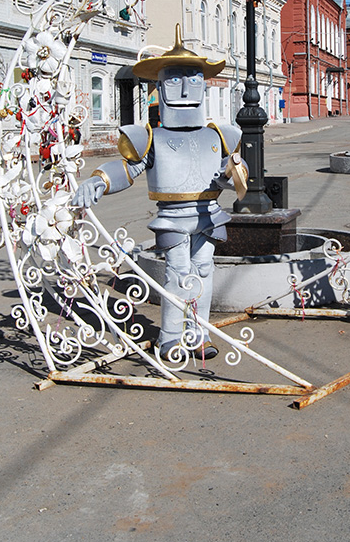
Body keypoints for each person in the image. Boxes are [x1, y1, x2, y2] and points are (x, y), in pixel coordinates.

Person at [72, 26, 247, 363]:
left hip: (209, 215)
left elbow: (233, 171)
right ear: (161, 86)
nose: (184, 88)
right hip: (173, 218)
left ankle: (199, 334)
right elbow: (129, 168)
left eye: (193, 79)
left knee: (204, 270)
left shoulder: (219, 134)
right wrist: (98, 181)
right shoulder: (151, 137)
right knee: (178, 273)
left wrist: (234, 174)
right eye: (174, 80)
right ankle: (170, 338)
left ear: (204, 84)